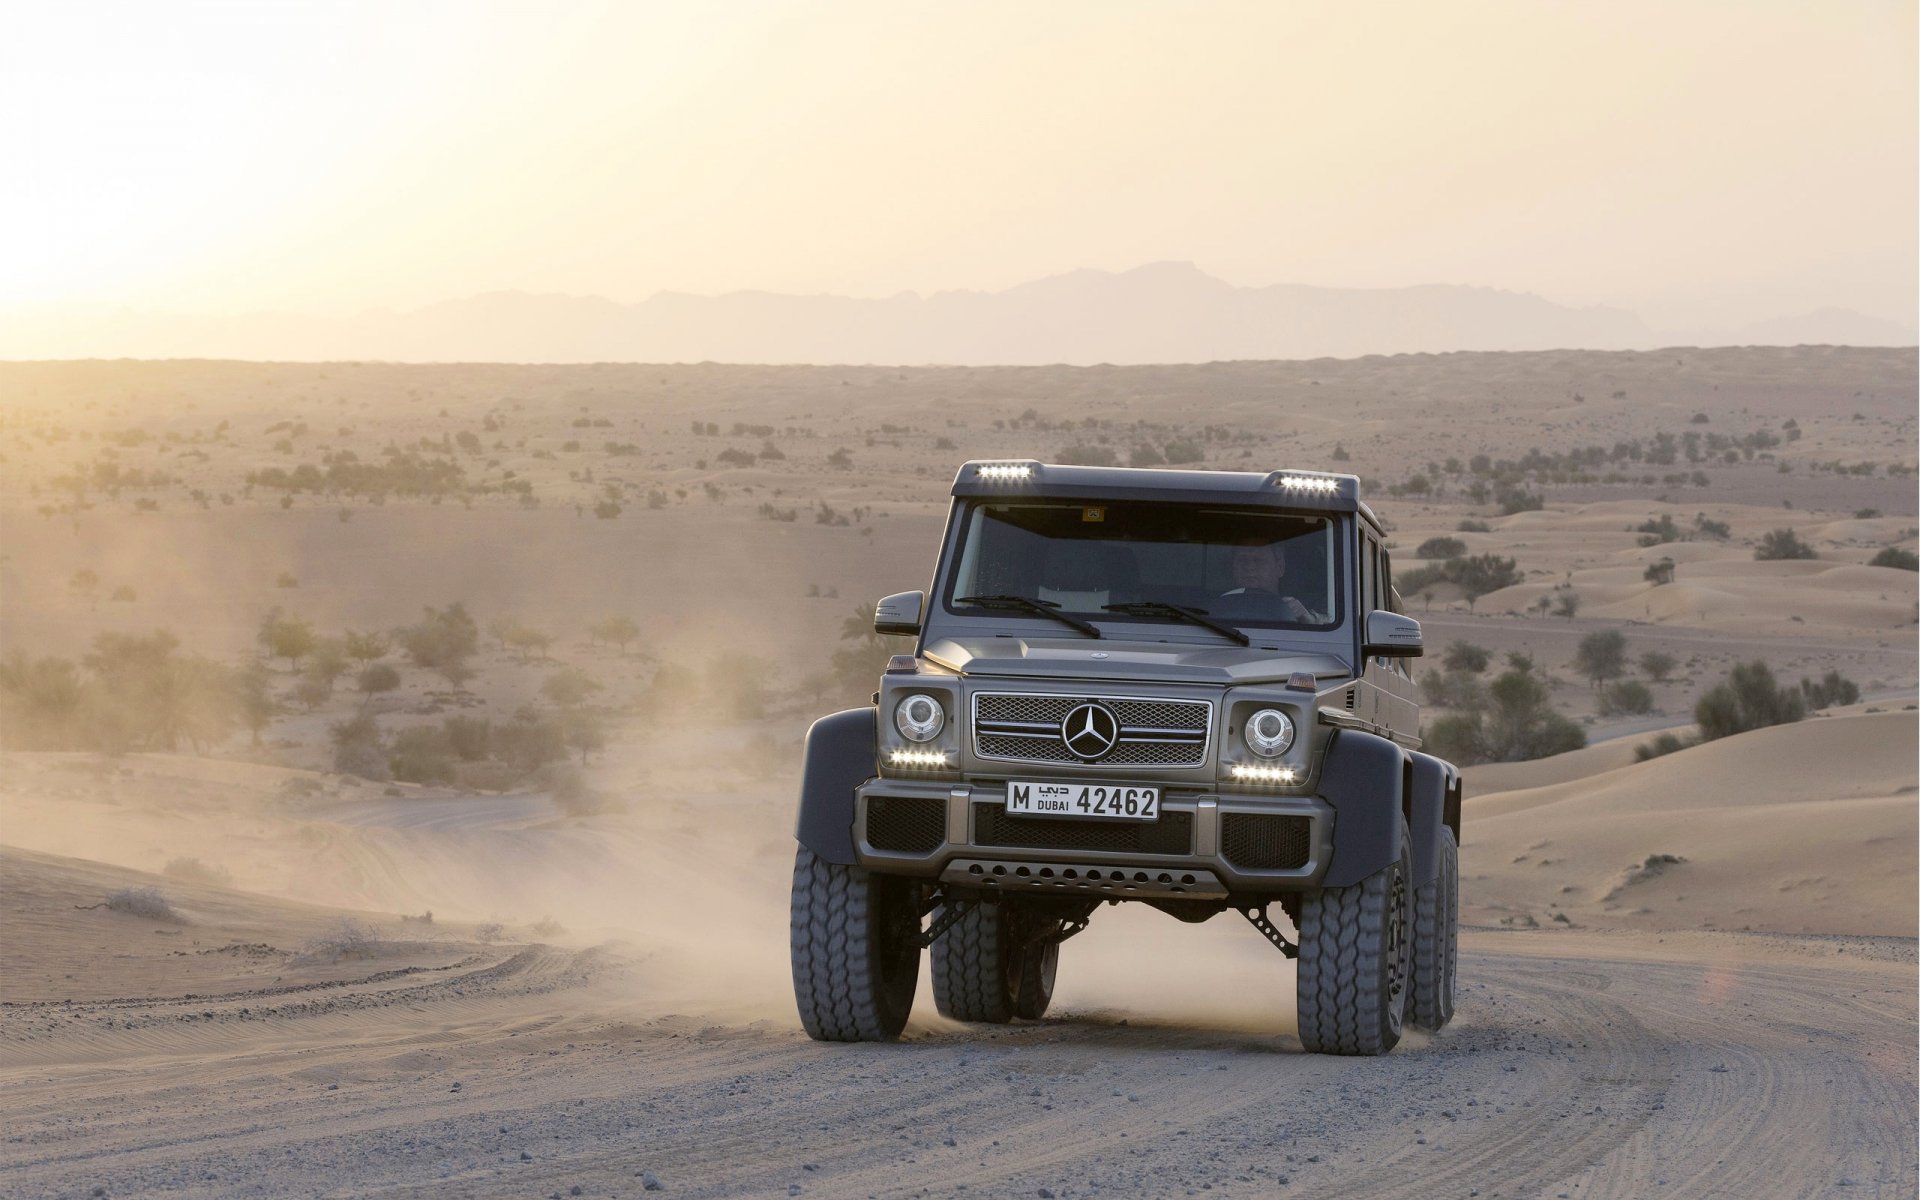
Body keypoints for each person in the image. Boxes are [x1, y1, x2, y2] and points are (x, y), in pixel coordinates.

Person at [1223, 541, 1317, 622]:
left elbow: (1326, 623)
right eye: (1242, 560)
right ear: (1232, 568)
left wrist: (1308, 620)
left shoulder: (1299, 610)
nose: (1249, 567)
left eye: (1259, 560)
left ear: (1280, 567)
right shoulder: (1216, 610)